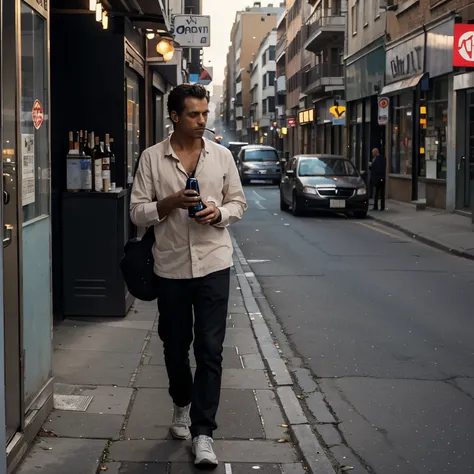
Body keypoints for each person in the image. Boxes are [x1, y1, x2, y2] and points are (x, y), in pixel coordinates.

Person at [130, 84, 247, 466]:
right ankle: (182, 402)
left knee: (210, 350)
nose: (202, 121)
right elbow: (137, 212)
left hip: (215, 263)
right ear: (175, 117)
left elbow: (238, 202)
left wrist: (219, 214)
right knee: (174, 347)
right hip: (172, 267)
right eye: (194, 114)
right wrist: (168, 204)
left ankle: (203, 433)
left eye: (204, 113)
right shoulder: (151, 158)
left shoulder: (222, 157)